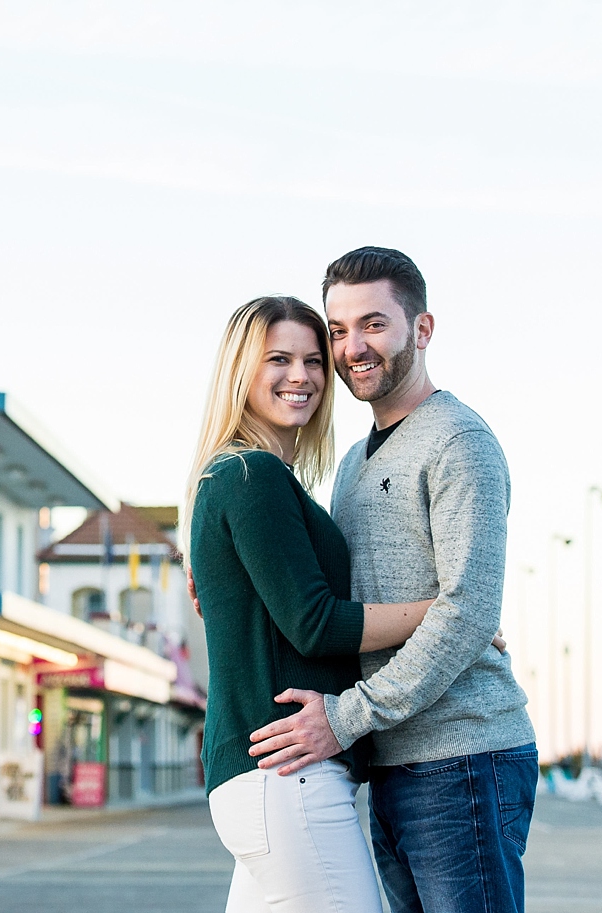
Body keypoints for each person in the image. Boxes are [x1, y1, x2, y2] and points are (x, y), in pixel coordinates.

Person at [184, 295, 502, 912]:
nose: (300, 376)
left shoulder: (244, 477)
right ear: (239, 371)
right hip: (285, 772)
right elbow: (316, 622)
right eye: (278, 359)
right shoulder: (254, 477)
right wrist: (446, 612)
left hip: (262, 776)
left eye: (312, 359)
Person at [246, 247, 537, 913]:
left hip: (463, 757)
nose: (353, 348)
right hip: (389, 762)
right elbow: (331, 600)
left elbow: (465, 613)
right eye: (339, 330)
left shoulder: (458, 440)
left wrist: (344, 718)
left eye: (374, 324)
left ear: (422, 328)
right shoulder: (352, 462)